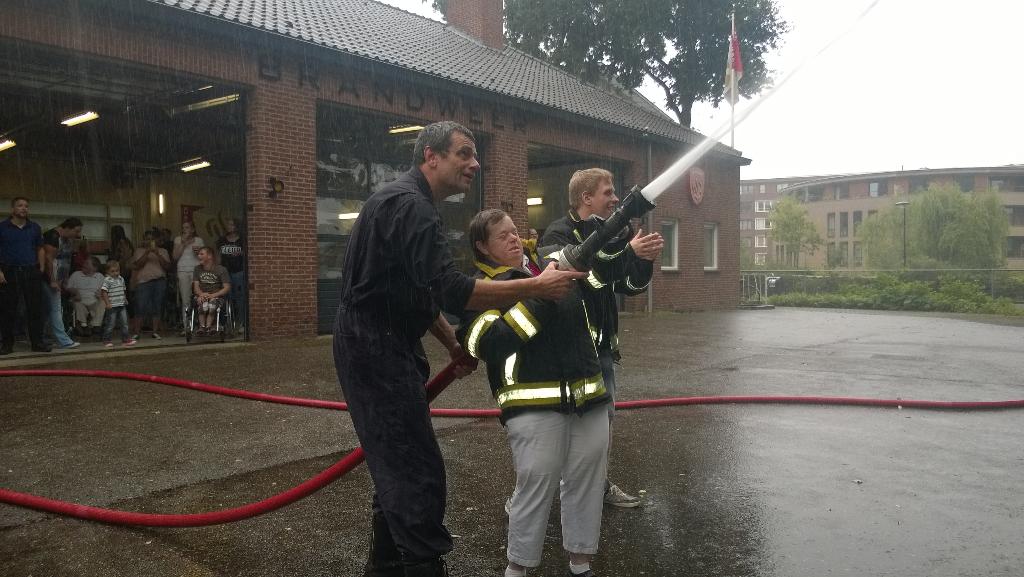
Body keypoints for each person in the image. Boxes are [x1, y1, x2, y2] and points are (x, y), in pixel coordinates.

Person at [332, 121, 586, 577]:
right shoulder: (412, 208)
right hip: (375, 346)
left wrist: (452, 343)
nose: (475, 163)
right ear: (431, 156)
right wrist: (538, 286)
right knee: (416, 469)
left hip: (384, 341)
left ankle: (387, 563)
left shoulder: (404, 203)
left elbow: (417, 290)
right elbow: (451, 290)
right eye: (464, 154)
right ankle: (422, 564)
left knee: (396, 459)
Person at [458, 209, 609, 577]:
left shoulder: (548, 269)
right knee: (535, 484)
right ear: (482, 246)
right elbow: (488, 344)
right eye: (501, 235)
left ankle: (581, 563)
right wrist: (542, 295)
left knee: (587, 481)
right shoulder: (480, 289)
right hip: (532, 404)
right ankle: (518, 567)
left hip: (587, 396)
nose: (513, 238)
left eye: (514, 231)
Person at [541, 168, 664, 508]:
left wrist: (644, 262)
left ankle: (598, 484)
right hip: (567, 350)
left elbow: (627, 286)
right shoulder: (558, 233)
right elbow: (588, 278)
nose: (615, 199)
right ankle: (542, 491)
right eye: (608, 192)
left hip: (602, 351)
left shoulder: (614, 233)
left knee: (601, 425)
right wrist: (629, 253)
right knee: (560, 425)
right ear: (586, 198)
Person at [0, 197, 50, 354]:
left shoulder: (34, 227)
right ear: (12, 209)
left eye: (26, 206)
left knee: (35, 309)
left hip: (31, 270)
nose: (24, 208)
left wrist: (41, 267)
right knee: (8, 310)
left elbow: (40, 248)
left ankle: (37, 343)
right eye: (20, 206)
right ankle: (7, 344)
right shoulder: (2, 227)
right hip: (9, 270)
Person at [42, 217, 83, 349]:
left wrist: (64, 279)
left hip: (59, 279)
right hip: (47, 278)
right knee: (55, 309)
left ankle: (48, 337)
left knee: (51, 309)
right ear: (67, 228)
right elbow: (49, 260)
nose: (78, 235)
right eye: (76, 231)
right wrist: (52, 280)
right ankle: (63, 340)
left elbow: (66, 260)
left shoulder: (67, 240)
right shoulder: (53, 236)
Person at [128, 229, 171, 340]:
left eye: (152, 239)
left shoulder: (163, 251)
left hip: (159, 281)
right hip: (143, 282)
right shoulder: (139, 250)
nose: (149, 241)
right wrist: (147, 252)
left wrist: (157, 254)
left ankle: (155, 331)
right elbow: (137, 265)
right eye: (147, 239)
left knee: (157, 306)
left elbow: (167, 267)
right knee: (140, 306)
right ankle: (137, 332)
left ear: (156, 240)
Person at [173, 221, 205, 332]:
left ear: (192, 229)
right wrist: (184, 243)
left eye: (187, 227)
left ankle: (200, 324)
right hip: (182, 271)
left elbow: (204, 258)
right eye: (183, 227)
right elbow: (175, 256)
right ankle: (187, 326)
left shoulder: (199, 240)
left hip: (196, 271)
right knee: (185, 299)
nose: (184, 230)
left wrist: (198, 253)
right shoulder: (178, 239)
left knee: (199, 297)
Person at [191, 246, 230, 334]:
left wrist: (213, 295)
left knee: (212, 305)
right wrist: (201, 294)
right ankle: (202, 327)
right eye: (198, 254)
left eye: (201, 254)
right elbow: (196, 286)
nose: (198, 256)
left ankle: (210, 326)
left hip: (216, 296)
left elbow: (227, 287)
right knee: (203, 305)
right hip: (201, 295)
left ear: (210, 256)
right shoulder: (197, 269)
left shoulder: (221, 269)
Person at [216, 218, 246, 331]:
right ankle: (226, 323)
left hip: (238, 271)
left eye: (231, 224)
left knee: (239, 298)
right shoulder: (222, 240)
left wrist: (241, 253)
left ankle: (241, 322)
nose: (229, 226)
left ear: (236, 227)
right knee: (224, 297)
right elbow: (218, 256)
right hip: (225, 272)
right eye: (228, 224)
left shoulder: (242, 240)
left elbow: (247, 253)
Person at [65, 256, 105, 337]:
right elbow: (68, 287)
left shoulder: (99, 276)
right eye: (84, 263)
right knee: (77, 304)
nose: (84, 265)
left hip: (94, 301)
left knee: (103, 302)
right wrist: (76, 292)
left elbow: (106, 289)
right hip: (80, 300)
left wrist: (101, 293)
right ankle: (84, 326)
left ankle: (95, 326)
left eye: (87, 263)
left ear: (95, 268)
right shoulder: (76, 274)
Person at [99, 260, 136, 348]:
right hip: (112, 306)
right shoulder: (107, 280)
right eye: (112, 271)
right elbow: (104, 292)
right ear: (107, 271)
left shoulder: (121, 279)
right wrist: (107, 303)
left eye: (117, 271)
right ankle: (106, 340)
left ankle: (126, 339)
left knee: (124, 323)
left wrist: (125, 298)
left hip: (121, 304)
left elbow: (123, 290)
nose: (115, 273)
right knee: (111, 324)